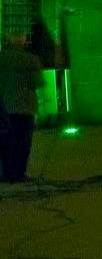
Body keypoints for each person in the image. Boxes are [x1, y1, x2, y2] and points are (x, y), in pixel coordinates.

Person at [0, 33, 43, 183]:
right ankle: (18, 174)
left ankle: (6, 173)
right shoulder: (30, 60)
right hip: (24, 107)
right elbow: (37, 83)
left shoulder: (2, 58)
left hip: (5, 107)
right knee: (22, 142)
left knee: (6, 142)